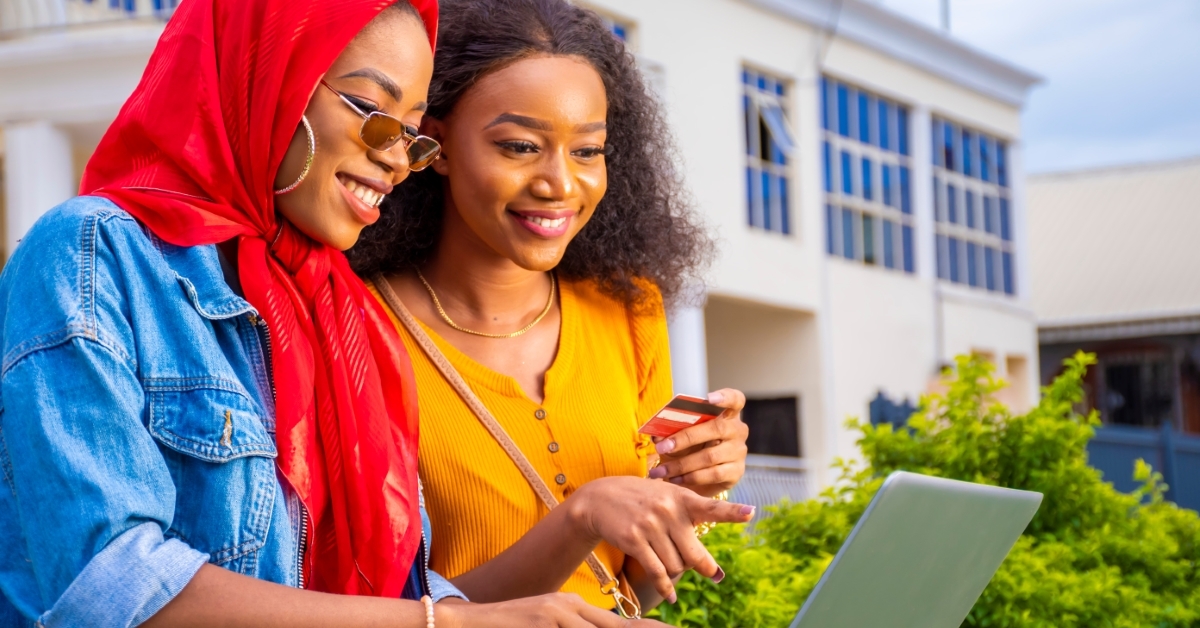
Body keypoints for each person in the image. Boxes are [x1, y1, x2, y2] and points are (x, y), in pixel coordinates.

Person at [0, 0, 668, 626]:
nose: (395, 157)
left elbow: (400, 598)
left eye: (410, 133)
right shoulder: (95, 251)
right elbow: (106, 586)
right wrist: (449, 620)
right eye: (370, 109)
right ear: (270, 76)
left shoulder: (343, 313)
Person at [349, 0, 753, 614]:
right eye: (519, 146)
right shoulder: (354, 325)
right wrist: (581, 518)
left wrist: (685, 497)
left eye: (587, 151)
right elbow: (384, 614)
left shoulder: (628, 309)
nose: (560, 184)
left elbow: (633, 594)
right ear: (437, 144)